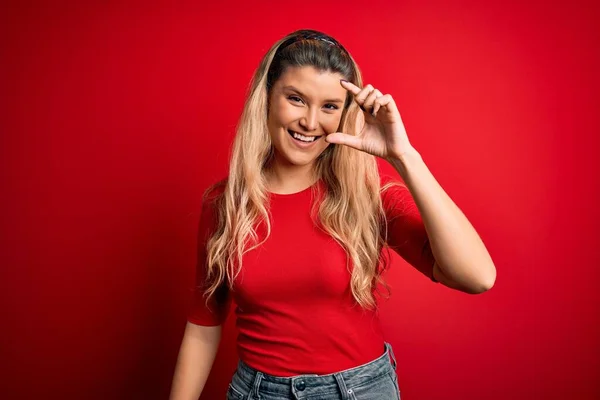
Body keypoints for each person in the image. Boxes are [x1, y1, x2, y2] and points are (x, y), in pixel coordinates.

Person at [169, 29, 496, 400]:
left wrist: (403, 156)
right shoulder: (224, 203)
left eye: (329, 106)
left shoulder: (365, 198)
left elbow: (477, 276)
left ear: (344, 114)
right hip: (258, 393)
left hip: (359, 390)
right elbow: (203, 324)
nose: (310, 122)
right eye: (295, 99)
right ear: (267, 99)